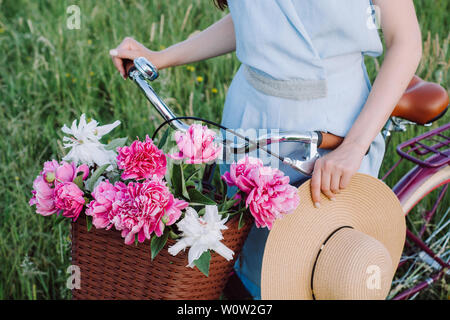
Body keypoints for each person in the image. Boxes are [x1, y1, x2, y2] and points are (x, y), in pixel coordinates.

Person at [110, 0, 422, 299]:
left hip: (331, 130)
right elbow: (257, 17)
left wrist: (354, 145)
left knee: (321, 269)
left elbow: (405, 41)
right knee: (245, 259)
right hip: (250, 117)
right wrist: (163, 56)